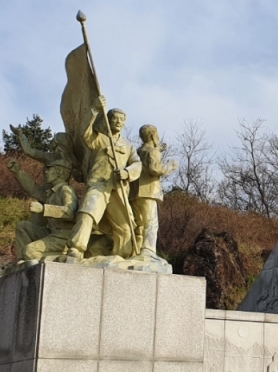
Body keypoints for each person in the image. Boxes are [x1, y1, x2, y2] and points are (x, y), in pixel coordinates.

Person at [65, 95, 141, 261]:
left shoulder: (128, 146)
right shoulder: (99, 139)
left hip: (118, 189)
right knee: (87, 214)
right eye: (115, 119)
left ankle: (121, 257)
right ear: (109, 120)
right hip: (99, 185)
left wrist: (127, 173)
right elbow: (84, 132)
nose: (119, 122)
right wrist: (94, 109)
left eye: (122, 120)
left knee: (125, 227)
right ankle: (76, 249)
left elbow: (137, 164)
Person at [132, 124, 177, 257]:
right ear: (152, 135)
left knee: (138, 224)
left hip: (135, 193)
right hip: (149, 191)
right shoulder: (152, 151)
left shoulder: (138, 151)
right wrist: (170, 166)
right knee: (151, 223)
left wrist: (158, 149)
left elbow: (145, 159)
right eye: (156, 134)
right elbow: (155, 168)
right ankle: (148, 251)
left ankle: (135, 251)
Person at [20, 159, 78, 261]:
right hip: (52, 233)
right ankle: (22, 262)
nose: (46, 172)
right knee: (22, 226)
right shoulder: (51, 192)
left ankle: (61, 259)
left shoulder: (66, 190)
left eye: (49, 169)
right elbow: (34, 189)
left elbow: (70, 212)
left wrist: (43, 209)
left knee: (30, 251)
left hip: (64, 237)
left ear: (59, 172)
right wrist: (18, 172)